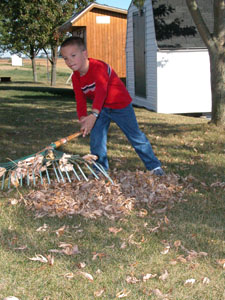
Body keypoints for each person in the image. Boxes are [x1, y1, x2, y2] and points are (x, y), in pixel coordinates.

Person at [60, 36, 164, 176]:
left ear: (85, 53)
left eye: (73, 55)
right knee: (97, 140)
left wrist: (94, 115)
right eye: (65, 58)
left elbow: (102, 91)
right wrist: (83, 118)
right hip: (101, 109)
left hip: (120, 106)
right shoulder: (75, 77)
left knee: (135, 137)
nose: (69, 61)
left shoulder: (98, 67)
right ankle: (100, 170)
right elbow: (80, 99)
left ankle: (154, 167)